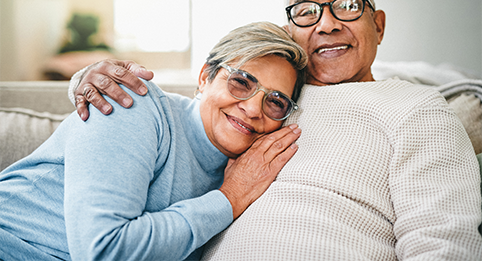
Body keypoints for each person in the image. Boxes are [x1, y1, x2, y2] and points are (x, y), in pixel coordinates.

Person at [67, 0, 482, 259]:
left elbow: (444, 241)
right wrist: (89, 79)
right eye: (306, 11)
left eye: (348, 4)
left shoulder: (416, 107)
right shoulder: (268, 105)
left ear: (379, 25)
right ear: (290, 34)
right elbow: (191, 105)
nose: (326, 23)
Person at [0, 22, 308, 260]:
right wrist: (229, 198)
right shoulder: (131, 102)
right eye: (241, 82)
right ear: (204, 77)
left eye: (276, 101)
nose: (254, 108)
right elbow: (104, 251)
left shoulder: (251, 170)